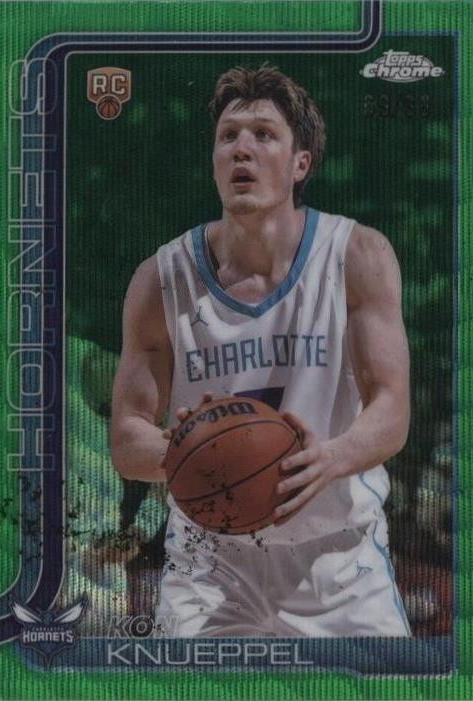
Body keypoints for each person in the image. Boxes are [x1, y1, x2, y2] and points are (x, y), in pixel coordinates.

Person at [111, 65, 411, 637]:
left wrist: (333, 457)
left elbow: (392, 407)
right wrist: (185, 450)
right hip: (209, 564)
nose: (241, 149)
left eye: (263, 135)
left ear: (301, 164)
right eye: (228, 137)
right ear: (214, 160)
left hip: (337, 561)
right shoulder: (160, 279)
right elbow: (127, 438)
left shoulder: (357, 256)